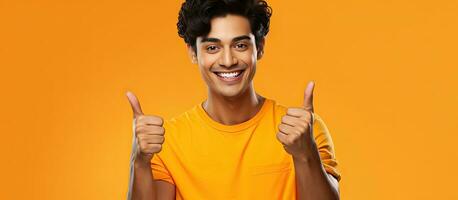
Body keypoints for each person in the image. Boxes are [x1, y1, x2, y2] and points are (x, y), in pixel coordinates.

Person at [126, 0, 341, 199]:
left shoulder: (303, 132)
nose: (228, 61)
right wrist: (140, 163)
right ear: (193, 52)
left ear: (260, 47)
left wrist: (305, 155)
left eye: (240, 45)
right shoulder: (168, 141)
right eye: (212, 47)